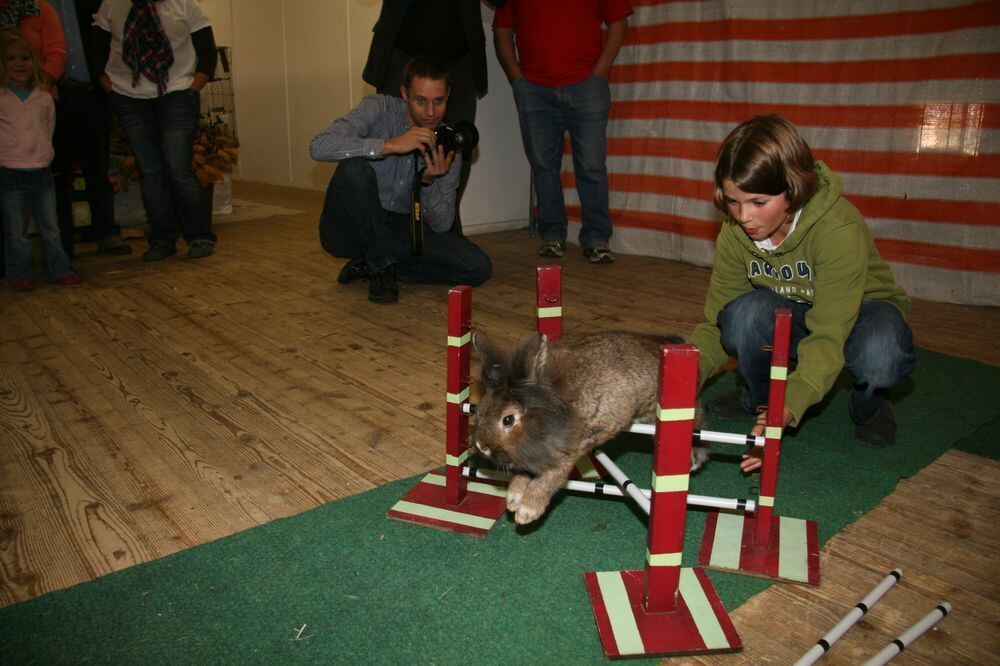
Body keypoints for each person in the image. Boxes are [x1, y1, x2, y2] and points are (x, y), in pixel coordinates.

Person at [690, 115, 916, 471]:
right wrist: (685, 377)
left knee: (880, 354)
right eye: (733, 201)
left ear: (793, 189)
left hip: (861, 313)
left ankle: (870, 403)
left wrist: (789, 407)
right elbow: (716, 322)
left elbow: (828, 334)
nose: (744, 216)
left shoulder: (837, 228)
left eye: (758, 202)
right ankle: (758, 399)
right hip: (791, 312)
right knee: (742, 316)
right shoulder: (734, 232)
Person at [311, 55, 492, 305]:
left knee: (477, 267)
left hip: (398, 229)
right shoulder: (379, 108)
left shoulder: (448, 144)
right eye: (421, 101)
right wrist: (389, 145)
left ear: (448, 95)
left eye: (438, 101)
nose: (431, 112)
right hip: (350, 229)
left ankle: (376, 266)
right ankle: (380, 265)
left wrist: (428, 182)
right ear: (405, 94)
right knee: (354, 168)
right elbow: (320, 146)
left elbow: (442, 225)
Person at [493, 0, 632, 264]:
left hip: (587, 85)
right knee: (543, 166)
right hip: (534, 89)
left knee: (591, 165)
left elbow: (619, 21)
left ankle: (597, 237)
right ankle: (552, 234)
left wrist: (600, 70)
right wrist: (516, 78)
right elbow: (502, 30)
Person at [362, 0, 506, 236]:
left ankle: (446, 228)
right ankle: (390, 230)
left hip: (459, 60)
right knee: (393, 142)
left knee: (457, 143)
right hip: (400, 53)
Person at [91, 0, 217, 261]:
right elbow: (96, 53)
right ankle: (162, 239)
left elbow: (208, 52)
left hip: (177, 93)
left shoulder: (183, 4)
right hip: (128, 97)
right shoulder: (112, 5)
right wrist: (111, 90)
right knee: (150, 171)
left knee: (178, 167)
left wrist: (193, 89)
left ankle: (199, 236)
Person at [50, 0, 131, 258]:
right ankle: (62, 243)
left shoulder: (95, 2)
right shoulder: (36, 5)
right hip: (55, 95)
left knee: (98, 168)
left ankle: (106, 232)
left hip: (93, 93)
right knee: (59, 173)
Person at [1, 30, 81, 291]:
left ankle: (58, 268)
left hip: (42, 172)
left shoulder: (44, 96)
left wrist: (45, 154)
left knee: (51, 228)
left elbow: (49, 127)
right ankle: (19, 273)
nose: (19, 64)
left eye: (25, 58)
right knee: (16, 230)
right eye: (11, 59)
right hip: (10, 172)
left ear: (34, 62)